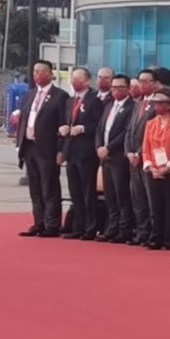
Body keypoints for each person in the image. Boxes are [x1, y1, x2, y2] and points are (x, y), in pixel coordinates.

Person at [60, 67, 103, 239]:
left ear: (87, 81)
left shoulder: (94, 100)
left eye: (79, 79)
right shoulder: (70, 101)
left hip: (86, 152)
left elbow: (99, 125)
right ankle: (77, 226)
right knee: (75, 192)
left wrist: (83, 128)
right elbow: (66, 121)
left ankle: (90, 227)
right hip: (71, 151)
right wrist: (62, 129)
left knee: (88, 192)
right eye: (73, 78)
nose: (75, 82)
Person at [140, 89, 170, 250]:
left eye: (161, 103)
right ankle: (156, 236)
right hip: (153, 169)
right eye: (155, 103)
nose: (157, 106)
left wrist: (169, 166)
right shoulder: (150, 123)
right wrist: (150, 167)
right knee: (155, 205)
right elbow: (146, 148)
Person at [96, 74, 136, 244]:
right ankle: (111, 228)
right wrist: (99, 147)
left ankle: (124, 230)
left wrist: (109, 147)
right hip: (105, 157)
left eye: (121, 87)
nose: (116, 91)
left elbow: (126, 132)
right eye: (114, 88)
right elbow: (100, 128)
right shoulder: (109, 105)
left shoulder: (132, 107)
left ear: (128, 89)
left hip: (119, 156)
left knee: (122, 195)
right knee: (110, 195)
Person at [123, 71, 158, 245]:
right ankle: (141, 231)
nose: (142, 84)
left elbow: (151, 134)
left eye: (146, 81)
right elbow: (129, 130)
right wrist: (128, 151)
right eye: (140, 81)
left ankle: (153, 233)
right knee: (137, 198)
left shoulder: (157, 105)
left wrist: (138, 152)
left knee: (151, 198)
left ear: (154, 83)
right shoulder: (138, 104)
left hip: (147, 158)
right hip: (133, 159)